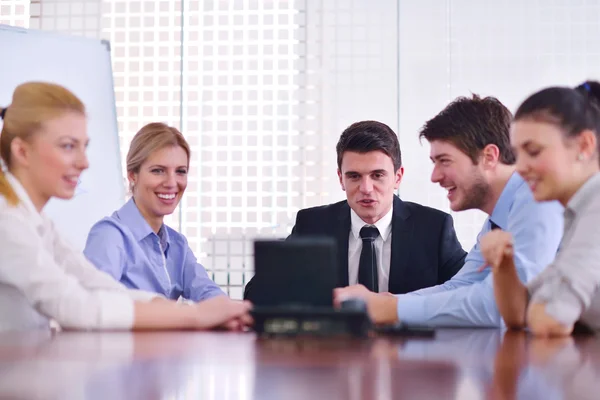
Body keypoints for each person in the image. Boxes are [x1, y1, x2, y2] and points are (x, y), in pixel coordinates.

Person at [0, 81, 249, 331]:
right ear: (22, 151)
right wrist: (195, 316)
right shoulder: (7, 221)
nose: (84, 162)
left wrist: (212, 311)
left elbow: (103, 287)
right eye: (68, 146)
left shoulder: (38, 223)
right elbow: (76, 307)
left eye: (83, 147)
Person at [334, 95, 564, 327]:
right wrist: (384, 301)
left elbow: (505, 306)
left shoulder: (537, 199)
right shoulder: (500, 217)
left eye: (444, 161)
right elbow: (463, 285)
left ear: (489, 157)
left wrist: (391, 308)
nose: (435, 177)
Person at [244, 120, 467, 302]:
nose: (366, 189)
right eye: (354, 176)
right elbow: (257, 292)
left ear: (397, 177)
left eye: (377, 175)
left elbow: (468, 293)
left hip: (407, 350)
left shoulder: (433, 227)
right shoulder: (312, 224)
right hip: (333, 351)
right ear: (341, 179)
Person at [481, 81, 600, 336]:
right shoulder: (576, 213)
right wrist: (504, 265)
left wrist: (541, 310)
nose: (520, 167)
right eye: (518, 154)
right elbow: (518, 313)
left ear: (584, 146)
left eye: (533, 152)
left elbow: (551, 321)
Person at [84, 122, 224, 302]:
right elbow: (96, 304)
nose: (172, 182)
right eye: (158, 171)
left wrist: (229, 311)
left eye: (180, 171)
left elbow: (207, 291)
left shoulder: (177, 244)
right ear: (133, 175)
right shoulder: (109, 236)